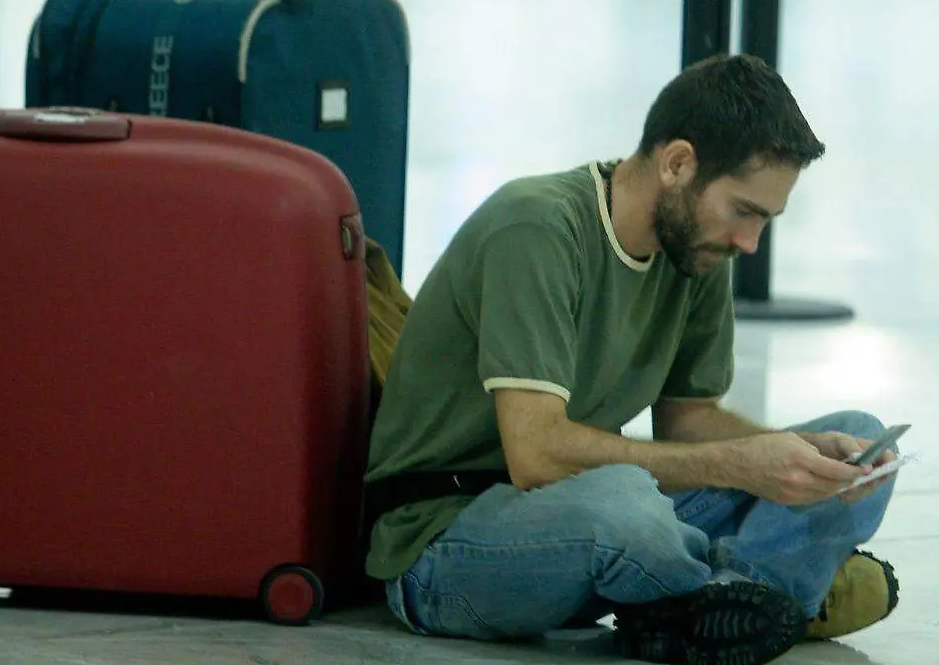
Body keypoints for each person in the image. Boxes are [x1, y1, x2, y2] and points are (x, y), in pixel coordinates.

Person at [362, 54, 900, 665]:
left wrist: (795, 455)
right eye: (744, 211)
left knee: (857, 436)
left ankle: (724, 603)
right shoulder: (537, 228)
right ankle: (766, 591)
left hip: (593, 522)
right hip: (446, 542)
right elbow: (536, 456)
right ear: (677, 164)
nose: (749, 243)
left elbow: (689, 422)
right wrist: (741, 465)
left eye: (766, 221)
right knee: (624, 505)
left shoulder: (696, 250)